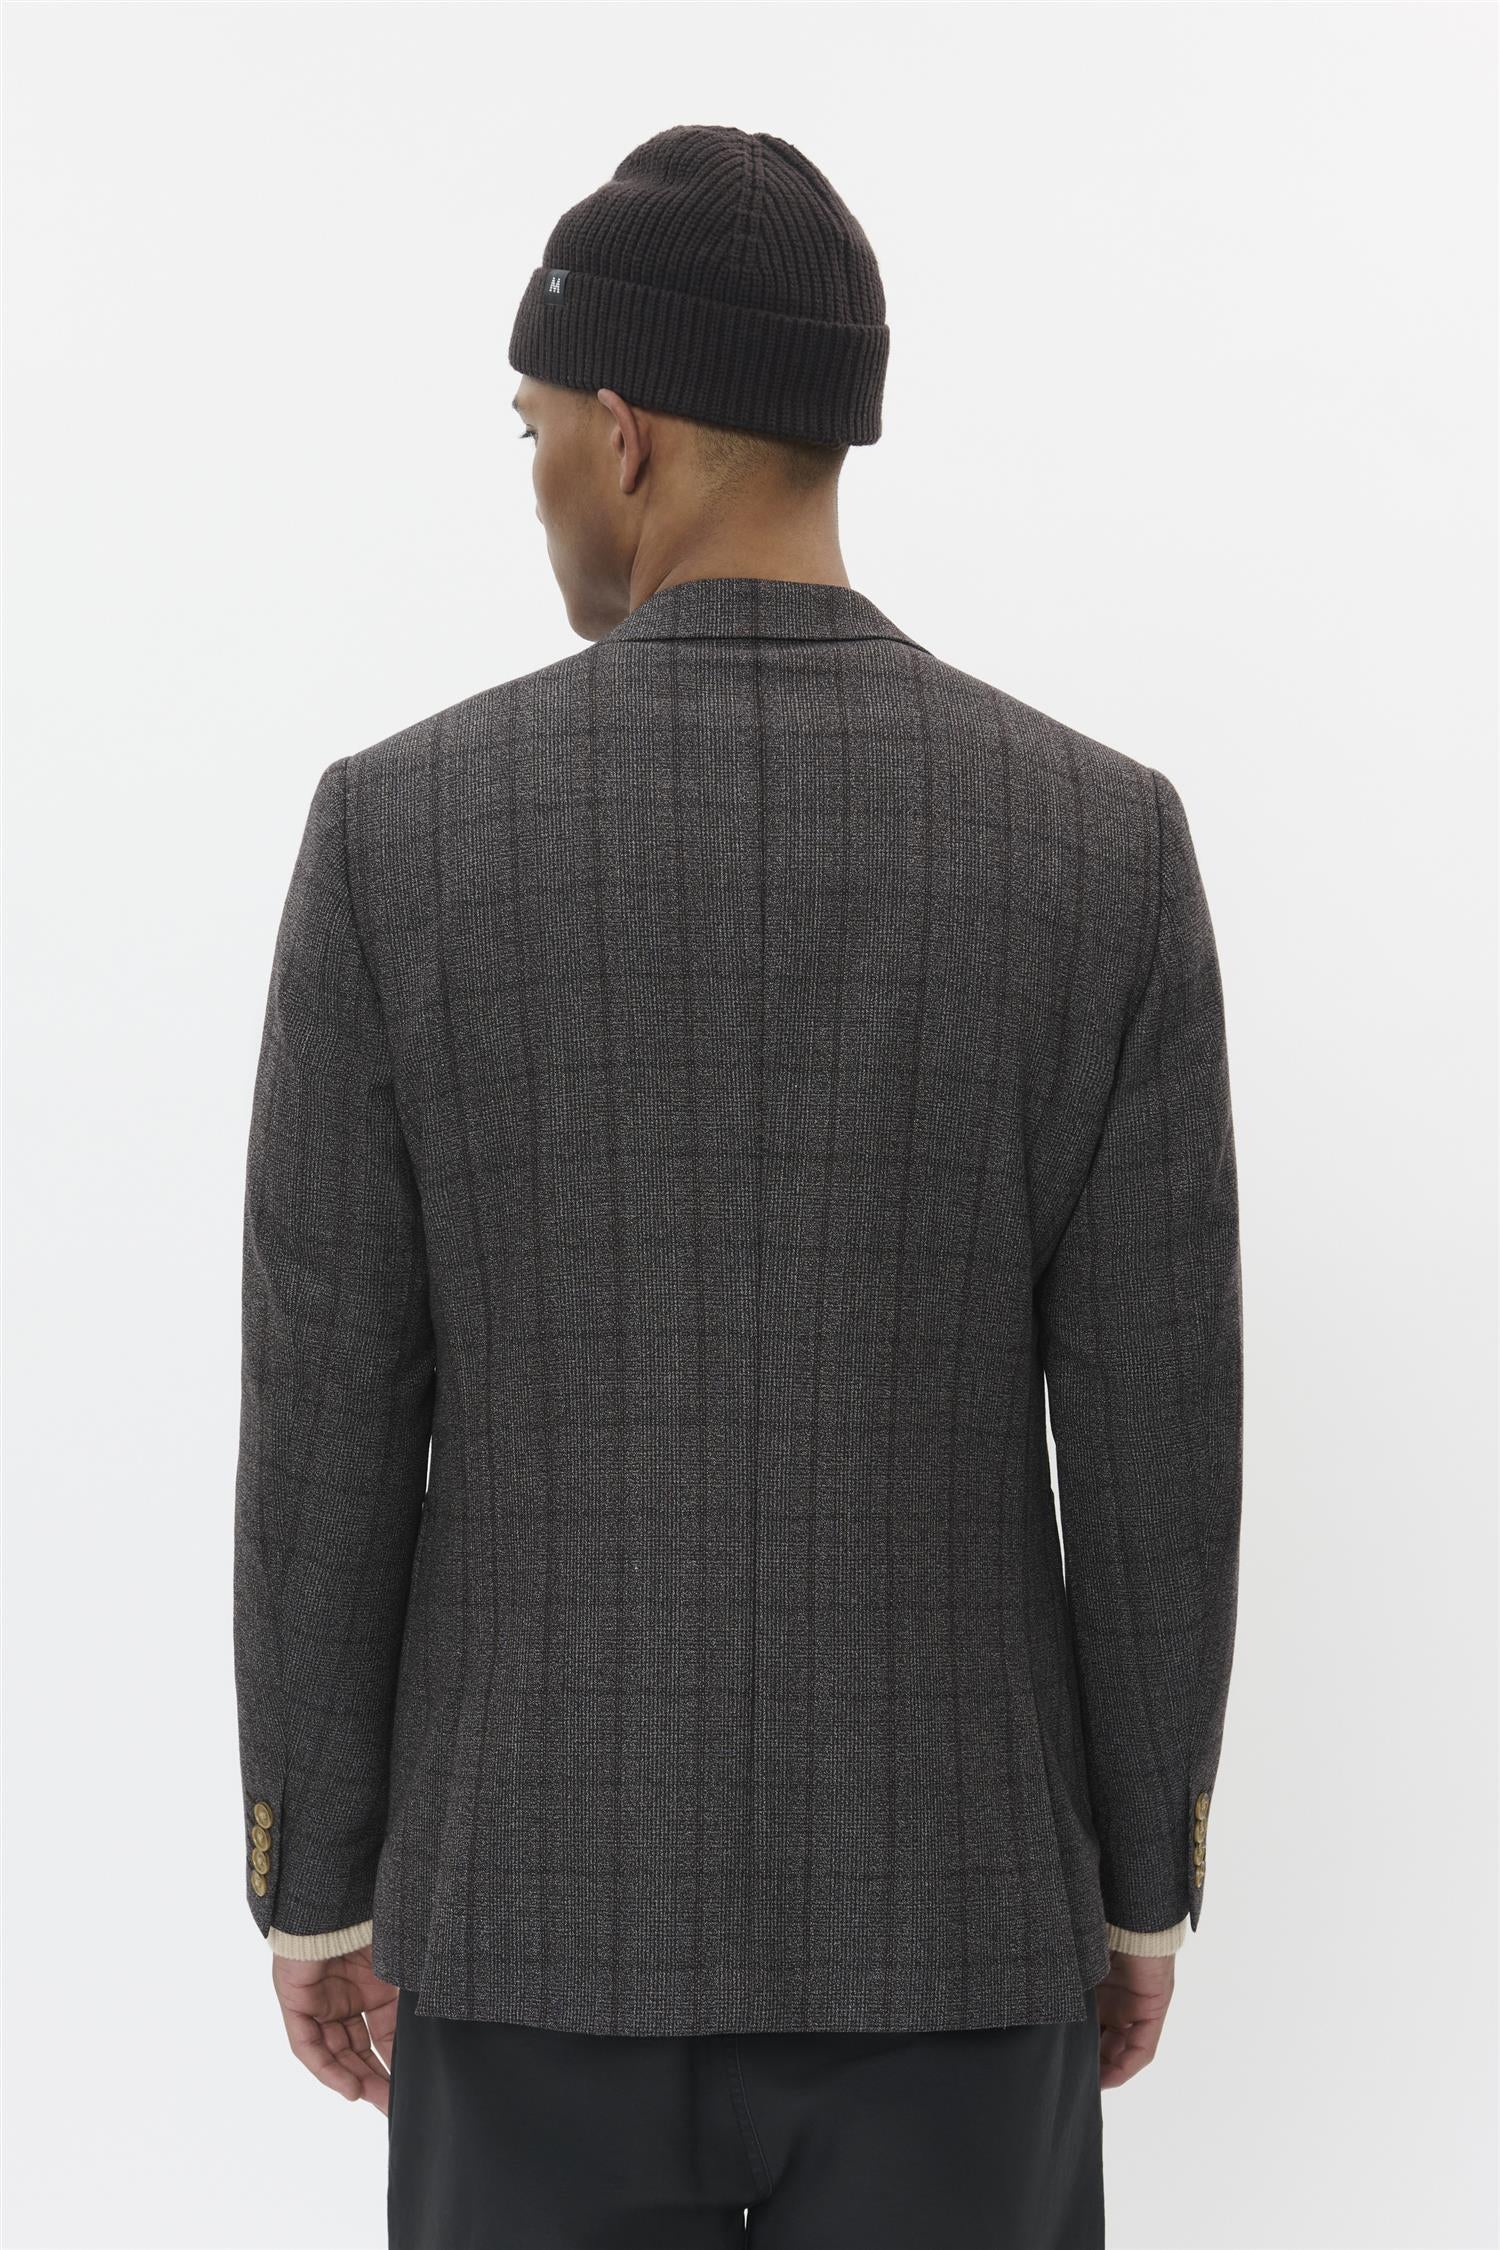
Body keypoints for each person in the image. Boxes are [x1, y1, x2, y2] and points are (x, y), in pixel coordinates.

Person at [233, 123, 1243, 2249]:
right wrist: (1139, 1883)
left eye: (530, 425)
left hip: (529, 1933)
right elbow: (1158, 1433)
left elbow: (332, 1407)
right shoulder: (1100, 847)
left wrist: (316, 1875)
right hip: (959, 1929)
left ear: (624, 434)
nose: (532, 474)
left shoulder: (399, 838)